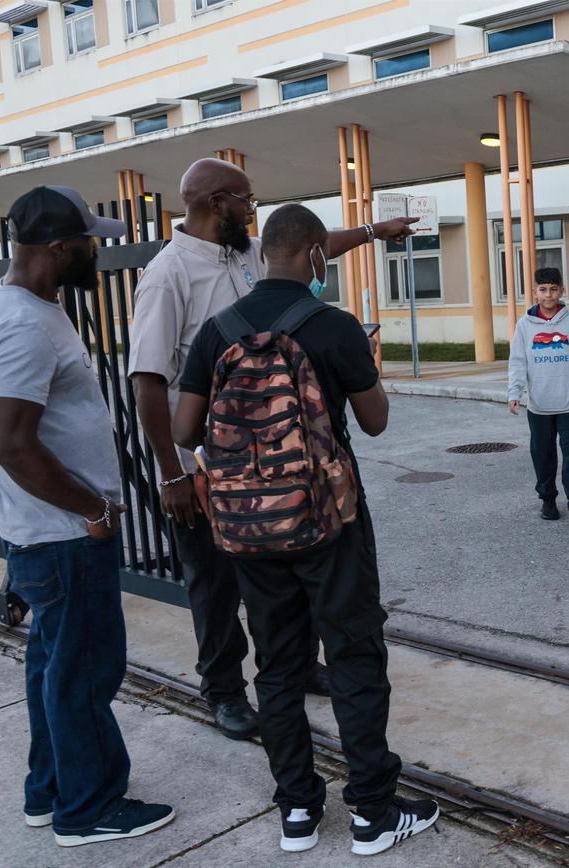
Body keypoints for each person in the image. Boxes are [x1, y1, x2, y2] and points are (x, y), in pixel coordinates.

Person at [171, 204, 438, 857]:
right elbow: (374, 422)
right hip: (330, 523)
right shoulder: (334, 326)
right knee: (353, 655)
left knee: (279, 665)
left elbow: (182, 429)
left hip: (248, 531)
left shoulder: (217, 332)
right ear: (318, 256)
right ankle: (373, 813)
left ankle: (297, 811)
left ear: (263, 254)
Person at [129, 158, 416, 740]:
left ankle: (297, 665)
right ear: (216, 202)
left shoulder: (246, 252)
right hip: (211, 466)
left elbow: (304, 245)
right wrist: (173, 474)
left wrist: (372, 232)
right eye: (247, 200)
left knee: (283, 571)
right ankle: (224, 689)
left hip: (283, 460)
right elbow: (147, 380)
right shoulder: (169, 274)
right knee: (214, 581)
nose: (253, 210)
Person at [0, 186, 174, 847]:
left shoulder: (25, 307)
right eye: (90, 242)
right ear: (59, 248)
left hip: (47, 535)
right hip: (62, 536)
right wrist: (93, 511)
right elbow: (13, 443)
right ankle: (88, 808)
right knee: (84, 671)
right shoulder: (22, 325)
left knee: (54, 667)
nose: (97, 252)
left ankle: (49, 792)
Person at [507, 266, 569, 527]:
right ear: (535, 292)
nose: (548, 295)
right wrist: (515, 392)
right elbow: (518, 361)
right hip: (539, 405)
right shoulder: (524, 326)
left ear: (561, 291)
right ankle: (548, 499)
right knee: (542, 454)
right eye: (543, 290)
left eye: (553, 289)